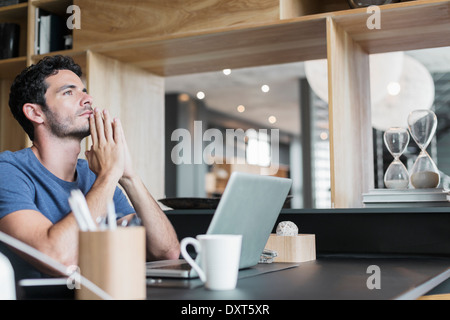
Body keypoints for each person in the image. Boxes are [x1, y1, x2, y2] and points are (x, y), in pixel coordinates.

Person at [0, 55, 180, 280]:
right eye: (69, 92)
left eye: (84, 90)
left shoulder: (95, 175)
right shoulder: (8, 171)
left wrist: (128, 176)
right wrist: (109, 175)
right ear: (35, 113)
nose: (88, 98)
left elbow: (167, 253)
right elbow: (58, 260)